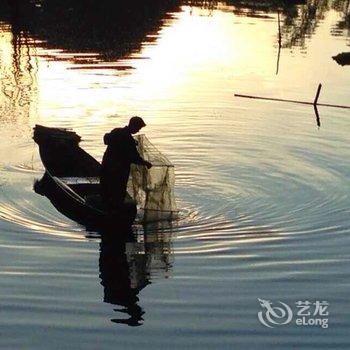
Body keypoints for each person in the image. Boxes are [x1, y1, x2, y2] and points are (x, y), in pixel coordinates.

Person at [100, 116, 152, 211]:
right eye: (138, 128)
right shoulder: (129, 140)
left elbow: (105, 139)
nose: (138, 130)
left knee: (106, 188)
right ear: (133, 125)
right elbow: (134, 157)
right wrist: (146, 163)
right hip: (119, 170)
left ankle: (105, 208)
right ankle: (115, 212)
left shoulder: (117, 131)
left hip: (107, 166)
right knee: (118, 192)